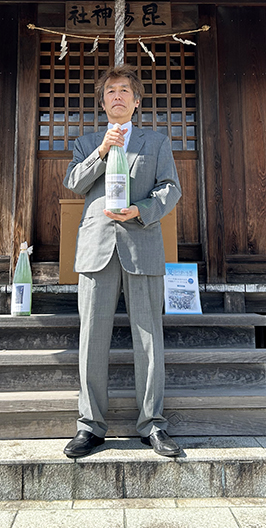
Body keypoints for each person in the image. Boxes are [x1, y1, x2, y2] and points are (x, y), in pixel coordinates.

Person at [62, 64, 182, 458]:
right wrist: (102, 151)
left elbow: (170, 189)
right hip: (96, 248)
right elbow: (74, 182)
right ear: (102, 103)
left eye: (124, 90)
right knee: (91, 339)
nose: (117, 96)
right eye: (110, 91)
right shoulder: (87, 142)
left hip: (142, 244)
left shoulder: (156, 142)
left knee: (149, 339)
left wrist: (141, 210)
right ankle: (90, 426)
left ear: (136, 101)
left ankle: (153, 425)